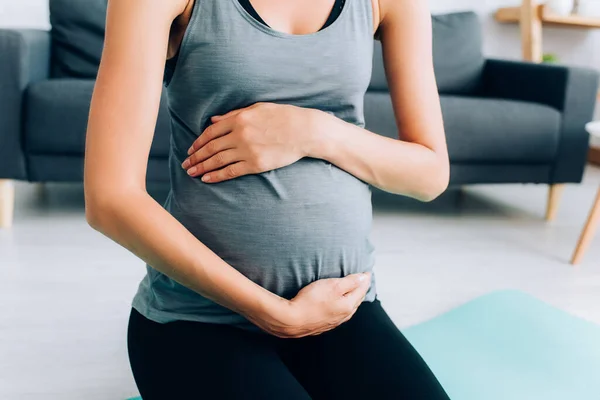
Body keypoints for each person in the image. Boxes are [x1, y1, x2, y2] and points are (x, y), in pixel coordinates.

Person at [84, 0, 450, 398]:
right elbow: (110, 199)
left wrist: (314, 132)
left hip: (341, 312)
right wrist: (275, 313)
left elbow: (429, 176)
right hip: (198, 321)